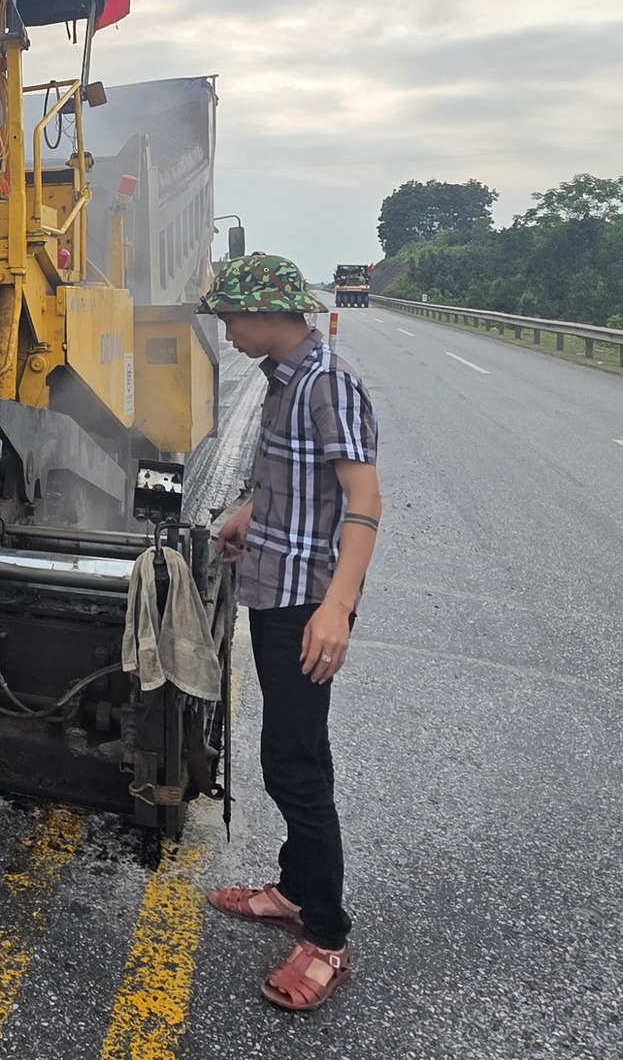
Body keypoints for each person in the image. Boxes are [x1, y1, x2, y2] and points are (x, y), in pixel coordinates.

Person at [198, 253, 382, 1013]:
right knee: (293, 752)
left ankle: (327, 936)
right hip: (275, 588)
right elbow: (292, 485)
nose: (228, 333)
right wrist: (249, 517)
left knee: (296, 765)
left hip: (308, 604)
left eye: (231, 320)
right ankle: (295, 889)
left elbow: (365, 503)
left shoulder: (326, 383)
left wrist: (337, 607)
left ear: (268, 314)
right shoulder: (284, 380)